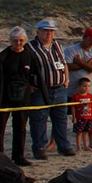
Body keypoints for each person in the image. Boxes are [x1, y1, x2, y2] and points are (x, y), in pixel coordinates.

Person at [27, 19, 76, 157]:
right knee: (39, 119)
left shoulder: (57, 46)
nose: (48, 34)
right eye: (45, 31)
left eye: (51, 31)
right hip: (40, 90)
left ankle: (63, 146)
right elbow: (24, 68)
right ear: (38, 32)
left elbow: (64, 63)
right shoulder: (30, 47)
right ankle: (39, 147)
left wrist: (66, 79)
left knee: (60, 119)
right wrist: (29, 85)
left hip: (59, 89)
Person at [0, 28, 37, 165]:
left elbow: (35, 73)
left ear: (25, 41)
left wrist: (33, 86)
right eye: (15, 41)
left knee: (20, 127)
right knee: (0, 128)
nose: (18, 43)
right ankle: (0, 157)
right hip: (4, 97)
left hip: (23, 96)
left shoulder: (29, 55)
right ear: (10, 41)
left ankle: (18, 156)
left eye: (21, 40)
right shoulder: (2, 57)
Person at [63, 27, 92, 98]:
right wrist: (88, 64)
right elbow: (67, 67)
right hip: (72, 91)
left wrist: (80, 62)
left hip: (89, 92)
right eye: (91, 40)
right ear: (84, 38)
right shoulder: (71, 50)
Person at [70, 78, 92, 152]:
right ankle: (78, 147)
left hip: (88, 117)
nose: (86, 88)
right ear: (79, 86)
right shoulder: (76, 96)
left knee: (85, 132)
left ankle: (85, 146)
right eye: (84, 86)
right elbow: (73, 107)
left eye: (88, 86)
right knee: (79, 132)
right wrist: (74, 117)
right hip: (80, 117)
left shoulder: (90, 96)